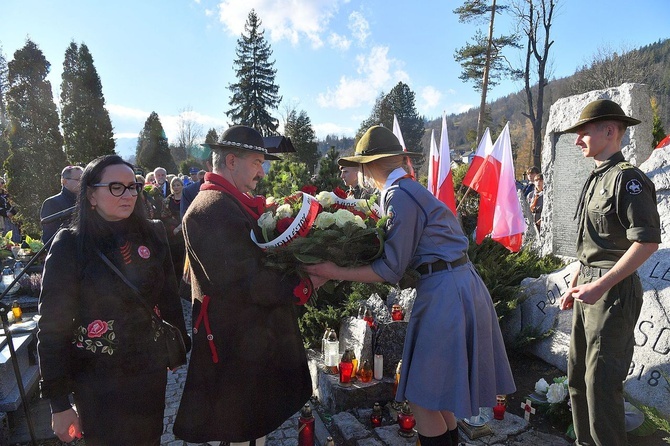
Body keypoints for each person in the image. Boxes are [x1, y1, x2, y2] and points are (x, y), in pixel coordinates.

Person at [305, 126, 515, 446]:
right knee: (436, 398)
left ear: (369, 166)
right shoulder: (408, 188)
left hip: (446, 293)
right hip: (457, 286)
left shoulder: (400, 196)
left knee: (422, 397)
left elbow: (391, 268)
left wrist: (332, 269)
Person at [173, 126, 325, 445]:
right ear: (231, 161)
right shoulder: (212, 208)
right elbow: (248, 283)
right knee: (241, 434)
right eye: (256, 162)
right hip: (233, 352)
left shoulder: (229, 203)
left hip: (246, 345)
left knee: (254, 431)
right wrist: (306, 283)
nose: (261, 171)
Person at [37, 155, 190, 445]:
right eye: (116, 187)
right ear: (91, 195)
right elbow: (51, 327)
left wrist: (179, 344)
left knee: (149, 438)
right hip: (98, 379)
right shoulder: (70, 244)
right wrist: (59, 403)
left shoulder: (152, 232)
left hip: (149, 371)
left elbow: (168, 294)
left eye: (133, 186)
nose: (129, 194)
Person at [558, 99, 660, 446]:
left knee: (601, 387)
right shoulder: (597, 177)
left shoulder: (627, 179)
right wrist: (577, 281)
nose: (577, 140)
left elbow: (646, 243)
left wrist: (599, 284)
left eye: (583, 133)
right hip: (589, 286)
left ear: (609, 131)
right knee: (577, 380)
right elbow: (594, 242)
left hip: (612, 292)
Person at [40, 166, 83, 243]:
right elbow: (49, 238)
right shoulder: (52, 203)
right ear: (64, 181)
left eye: (84, 179)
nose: (82, 183)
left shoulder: (89, 201)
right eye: (78, 179)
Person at [162, 176, 185, 280]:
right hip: (173, 234)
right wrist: (173, 228)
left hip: (185, 231)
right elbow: (164, 217)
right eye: (174, 185)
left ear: (182, 186)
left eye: (178, 185)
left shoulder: (187, 198)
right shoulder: (167, 200)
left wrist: (181, 226)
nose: (176, 187)